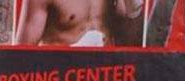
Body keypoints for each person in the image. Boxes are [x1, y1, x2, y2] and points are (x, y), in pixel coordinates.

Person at [16, 0, 144, 46]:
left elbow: (129, 44)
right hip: (62, 79)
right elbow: (21, 56)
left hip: (104, 78)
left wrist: (134, 11)